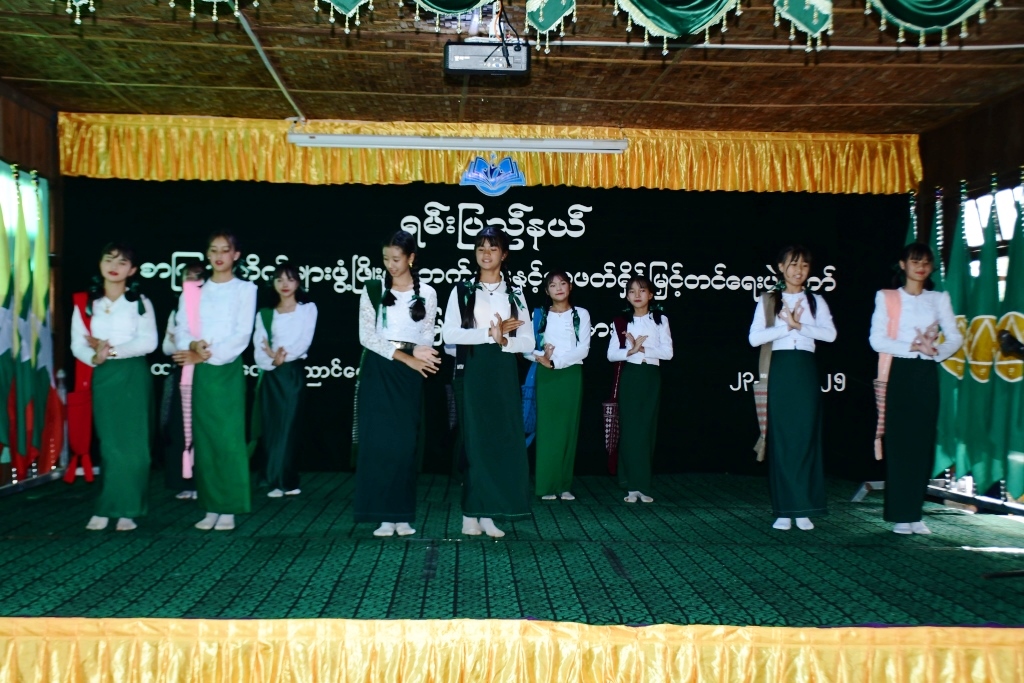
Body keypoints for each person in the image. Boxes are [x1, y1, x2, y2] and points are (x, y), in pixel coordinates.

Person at [442, 226, 533, 538]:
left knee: (500, 441)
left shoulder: (514, 293)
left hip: (504, 371)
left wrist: (505, 340)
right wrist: (488, 334)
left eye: (493, 248)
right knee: (475, 442)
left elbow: (528, 341)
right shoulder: (462, 290)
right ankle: (470, 513)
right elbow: (449, 334)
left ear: (504, 255)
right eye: (481, 247)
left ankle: (489, 512)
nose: (486, 253)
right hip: (474, 370)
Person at [869, 242, 962, 535]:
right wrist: (911, 346)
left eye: (925, 262)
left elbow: (955, 337)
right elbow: (876, 339)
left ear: (931, 268)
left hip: (926, 372)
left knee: (922, 442)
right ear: (903, 264)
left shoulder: (938, 299)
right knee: (900, 442)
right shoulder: (887, 297)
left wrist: (934, 351)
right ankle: (900, 515)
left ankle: (915, 513)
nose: (920, 267)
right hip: (900, 369)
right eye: (914, 261)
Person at [354, 231, 439, 537]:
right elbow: (367, 336)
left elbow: (427, 334)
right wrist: (405, 356)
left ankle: (402, 516)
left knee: (404, 446)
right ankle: (382, 517)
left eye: (397, 259)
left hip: (409, 375)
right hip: (379, 369)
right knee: (378, 444)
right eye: (386, 259)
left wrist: (421, 353)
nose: (390, 264)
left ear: (411, 258)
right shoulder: (373, 289)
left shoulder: (427, 292)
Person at [71, 242, 158, 531]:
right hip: (104, 376)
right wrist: (95, 357)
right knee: (110, 445)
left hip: (133, 375)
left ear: (132, 270)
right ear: (100, 264)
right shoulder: (86, 303)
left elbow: (149, 342)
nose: (114, 266)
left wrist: (113, 351)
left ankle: (127, 510)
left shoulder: (140, 302)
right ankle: (107, 506)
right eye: (109, 259)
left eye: (122, 262)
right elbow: (77, 343)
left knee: (135, 446)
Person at [748, 245, 836, 531]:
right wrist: (786, 328)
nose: (799, 270)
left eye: (804, 265)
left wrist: (799, 326)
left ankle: (804, 508)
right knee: (783, 439)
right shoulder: (768, 300)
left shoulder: (816, 301)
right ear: (780, 267)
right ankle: (784, 509)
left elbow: (830, 335)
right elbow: (754, 338)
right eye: (793, 264)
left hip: (805, 370)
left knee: (805, 437)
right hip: (781, 369)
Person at [173, 232, 257, 531]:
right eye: (214, 250)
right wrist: (193, 345)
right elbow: (181, 328)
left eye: (225, 250)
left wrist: (206, 354)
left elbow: (242, 335)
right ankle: (210, 506)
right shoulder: (194, 291)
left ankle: (230, 506)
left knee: (228, 439)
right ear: (207, 255)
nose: (219, 255)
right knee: (205, 439)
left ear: (236, 255)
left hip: (226, 370)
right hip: (200, 373)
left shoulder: (245, 289)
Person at [252, 262, 318, 498]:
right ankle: (272, 479)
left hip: (291, 376)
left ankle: (286, 479)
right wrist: (272, 360)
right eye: (279, 279)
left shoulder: (307, 309)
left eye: (289, 279)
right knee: (271, 427)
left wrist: (283, 356)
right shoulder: (265, 313)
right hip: (271, 375)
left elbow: (304, 342)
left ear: (298, 282)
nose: (284, 284)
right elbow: (259, 347)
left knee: (288, 428)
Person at [607, 275, 673, 503]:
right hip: (631, 377)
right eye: (632, 291)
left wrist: (643, 349)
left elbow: (668, 353)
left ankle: (642, 485)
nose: (637, 295)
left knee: (646, 430)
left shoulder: (660, 319)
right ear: (626, 296)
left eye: (642, 290)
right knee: (630, 429)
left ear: (651, 295)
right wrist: (631, 351)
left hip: (651, 377)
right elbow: (611, 354)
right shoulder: (621, 322)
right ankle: (630, 484)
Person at [526, 270, 590, 501]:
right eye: (553, 285)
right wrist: (542, 358)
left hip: (571, 375)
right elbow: (526, 348)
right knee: (547, 430)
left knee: (568, 429)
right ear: (546, 291)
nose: (559, 288)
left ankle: (564, 485)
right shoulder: (539, 315)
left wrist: (556, 362)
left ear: (570, 287)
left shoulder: (581, 314)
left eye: (563, 283)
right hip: (546, 376)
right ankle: (546, 485)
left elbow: (583, 349)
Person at [161, 261, 204, 500]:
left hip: (204, 372)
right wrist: (177, 342)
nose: (193, 281)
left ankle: (202, 482)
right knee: (179, 428)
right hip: (181, 373)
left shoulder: (211, 306)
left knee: (201, 428)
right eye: (188, 276)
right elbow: (168, 347)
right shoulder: (177, 309)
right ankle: (184, 482)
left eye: (198, 276)